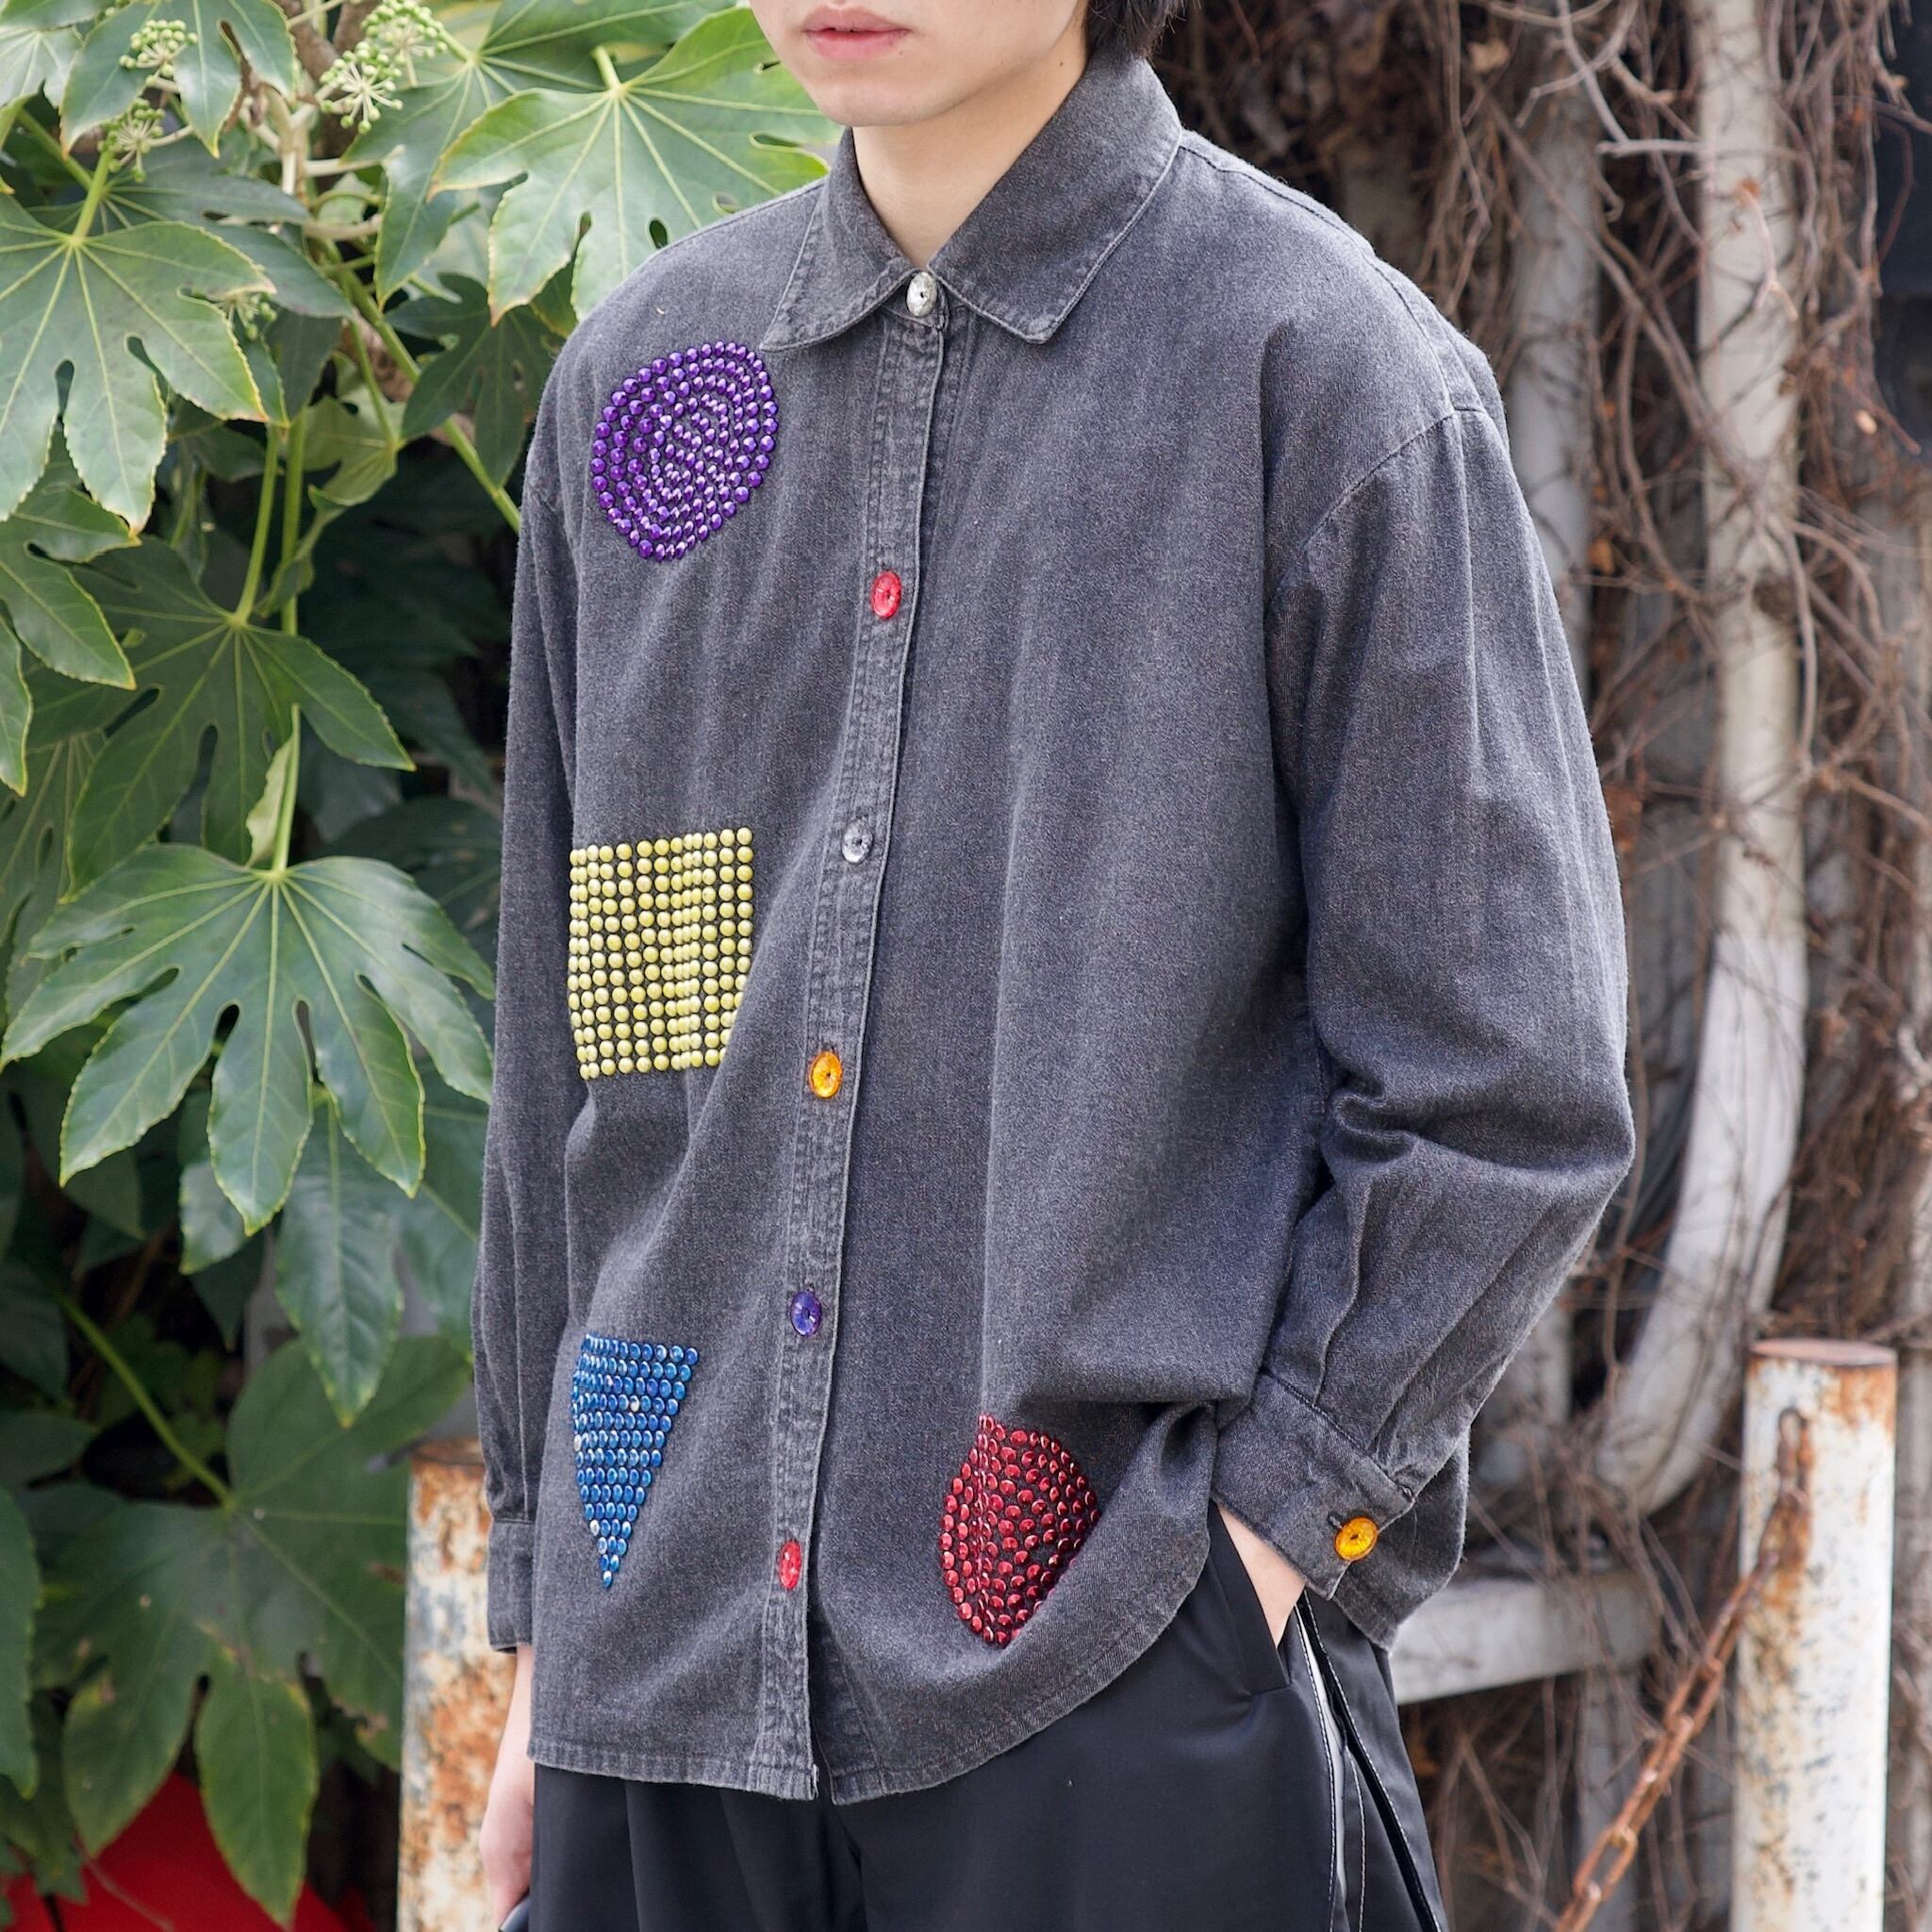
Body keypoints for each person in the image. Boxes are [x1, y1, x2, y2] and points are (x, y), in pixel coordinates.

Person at [471, 0, 1638, 1925]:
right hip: (656, 1684)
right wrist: (550, 1620)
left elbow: (1503, 1088)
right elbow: (577, 1070)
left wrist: (1248, 1560)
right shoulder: (642, 391)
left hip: (1113, 1683)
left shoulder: (1315, 375)